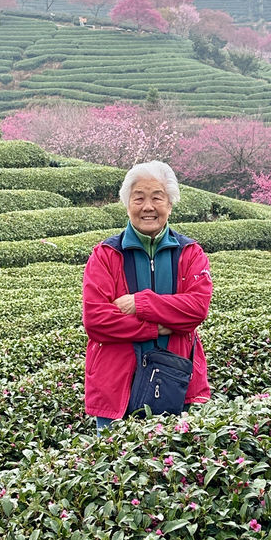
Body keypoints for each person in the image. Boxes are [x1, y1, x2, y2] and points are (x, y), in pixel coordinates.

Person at [82, 160, 212, 432]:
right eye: (139, 198)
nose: (148, 207)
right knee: (113, 470)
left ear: (170, 204)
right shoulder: (105, 255)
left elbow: (197, 309)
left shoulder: (190, 253)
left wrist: (141, 303)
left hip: (177, 382)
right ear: (127, 204)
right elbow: (96, 320)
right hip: (117, 388)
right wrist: (158, 326)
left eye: (157, 198)